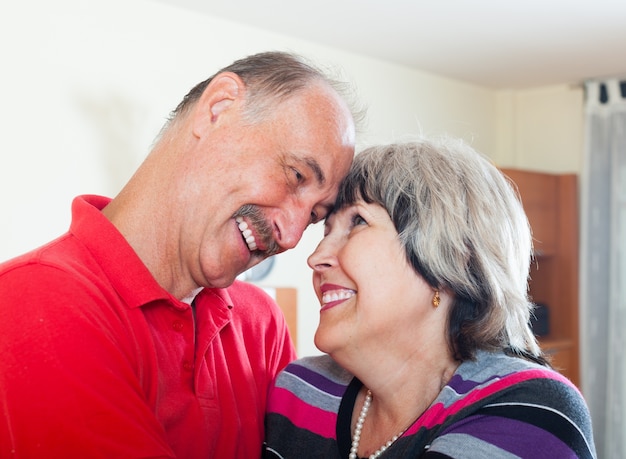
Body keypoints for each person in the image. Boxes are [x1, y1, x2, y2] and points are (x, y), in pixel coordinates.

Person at [0, 51, 362, 458]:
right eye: (296, 175)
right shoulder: (35, 298)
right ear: (219, 108)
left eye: (314, 215)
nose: (293, 235)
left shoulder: (261, 326)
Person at [264, 138, 597, 458]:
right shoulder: (301, 391)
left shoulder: (531, 408)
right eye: (326, 230)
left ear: (449, 260)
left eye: (358, 222)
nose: (317, 257)